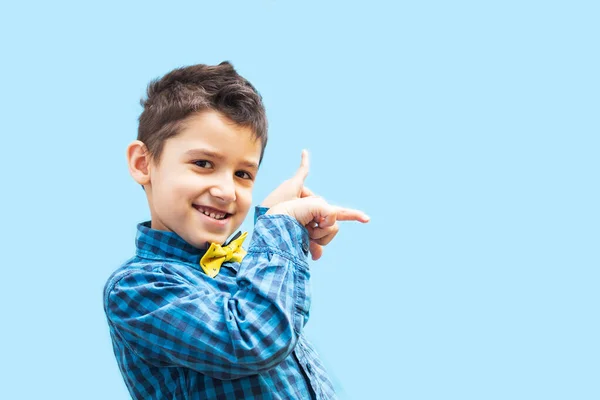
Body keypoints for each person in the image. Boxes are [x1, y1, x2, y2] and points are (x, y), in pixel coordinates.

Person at [103, 61, 369, 399]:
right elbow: (253, 340)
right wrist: (279, 229)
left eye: (243, 174)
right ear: (143, 163)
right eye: (203, 164)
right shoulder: (137, 288)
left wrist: (283, 227)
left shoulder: (245, 270)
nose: (227, 191)